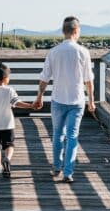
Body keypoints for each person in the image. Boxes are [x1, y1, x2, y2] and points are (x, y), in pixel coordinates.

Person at [34, 16, 96, 183]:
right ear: (76, 31)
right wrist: (91, 101)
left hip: (58, 99)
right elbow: (88, 80)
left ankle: (56, 167)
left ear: (64, 31)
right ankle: (68, 172)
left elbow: (44, 78)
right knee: (72, 136)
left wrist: (39, 96)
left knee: (57, 135)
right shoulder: (83, 52)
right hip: (76, 101)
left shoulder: (54, 52)